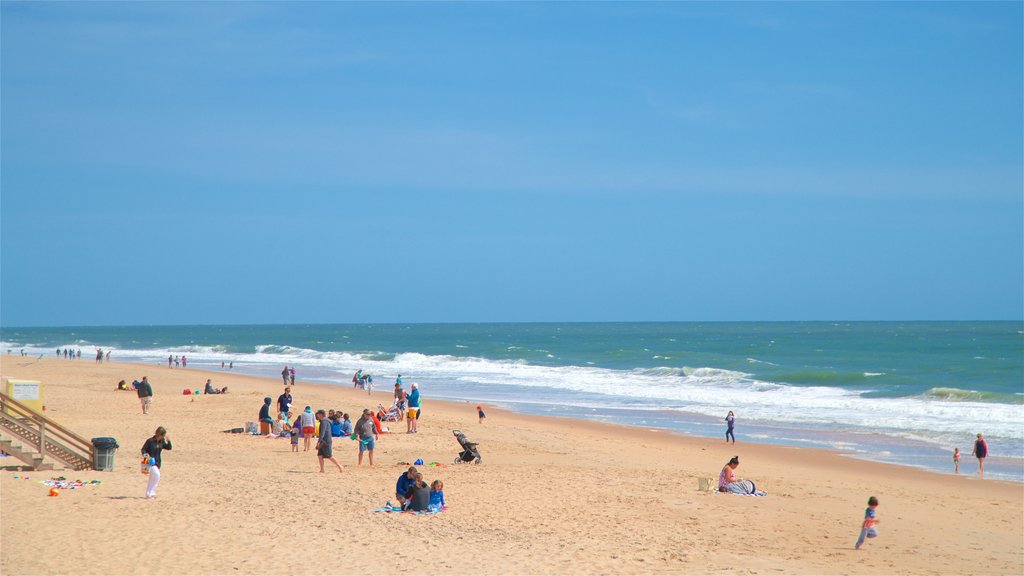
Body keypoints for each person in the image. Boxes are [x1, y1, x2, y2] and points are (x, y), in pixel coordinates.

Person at [141, 426, 172, 499]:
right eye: (162, 435)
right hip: (150, 462)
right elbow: (143, 450)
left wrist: (169, 441)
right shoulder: (150, 441)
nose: (163, 437)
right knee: (157, 476)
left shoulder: (161, 441)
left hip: (158, 462)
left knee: (152, 478)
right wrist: (147, 457)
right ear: (159, 434)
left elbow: (168, 447)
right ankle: (152, 493)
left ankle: (149, 494)